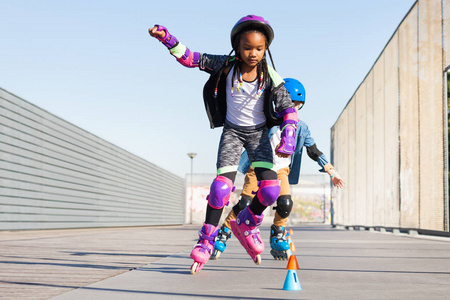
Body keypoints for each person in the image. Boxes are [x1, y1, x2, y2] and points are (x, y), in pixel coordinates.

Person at [149, 15, 298, 274]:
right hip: (232, 133)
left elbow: (288, 108)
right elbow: (191, 58)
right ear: (237, 47)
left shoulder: (270, 75)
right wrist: (167, 39)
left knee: (271, 190)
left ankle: (247, 222)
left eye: (259, 49)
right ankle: (206, 239)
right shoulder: (226, 65)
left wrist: (289, 136)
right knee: (221, 189)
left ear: (266, 49)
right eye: (248, 48)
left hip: (258, 135)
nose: (254, 54)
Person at [212, 78, 345, 260]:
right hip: (257, 166)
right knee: (245, 204)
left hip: (281, 171)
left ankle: (278, 233)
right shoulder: (266, 119)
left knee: (285, 203)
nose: (294, 109)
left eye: (298, 105)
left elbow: (314, 151)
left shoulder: (301, 127)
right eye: (291, 104)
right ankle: (224, 232)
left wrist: (332, 173)